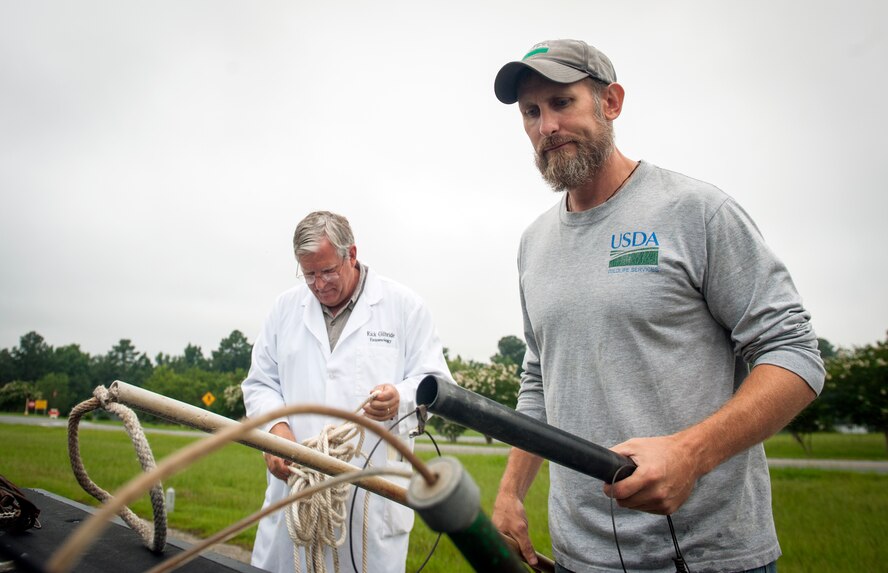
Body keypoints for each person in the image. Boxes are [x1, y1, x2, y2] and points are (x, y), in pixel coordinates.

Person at [489, 39, 824, 573]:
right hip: (581, 556)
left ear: (611, 102)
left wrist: (692, 454)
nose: (546, 126)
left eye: (562, 103)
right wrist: (509, 491)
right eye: (531, 112)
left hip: (708, 555)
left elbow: (794, 352)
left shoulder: (695, 212)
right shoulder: (535, 242)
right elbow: (539, 377)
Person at [241, 210, 452, 573]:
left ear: (351, 254)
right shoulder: (284, 310)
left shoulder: (403, 307)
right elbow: (260, 382)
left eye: (327, 271)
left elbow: (437, 385)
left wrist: (399, 399)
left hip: (369, 505)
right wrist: (275, 434)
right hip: (296, 495)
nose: (319, 284)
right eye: (308, 274)